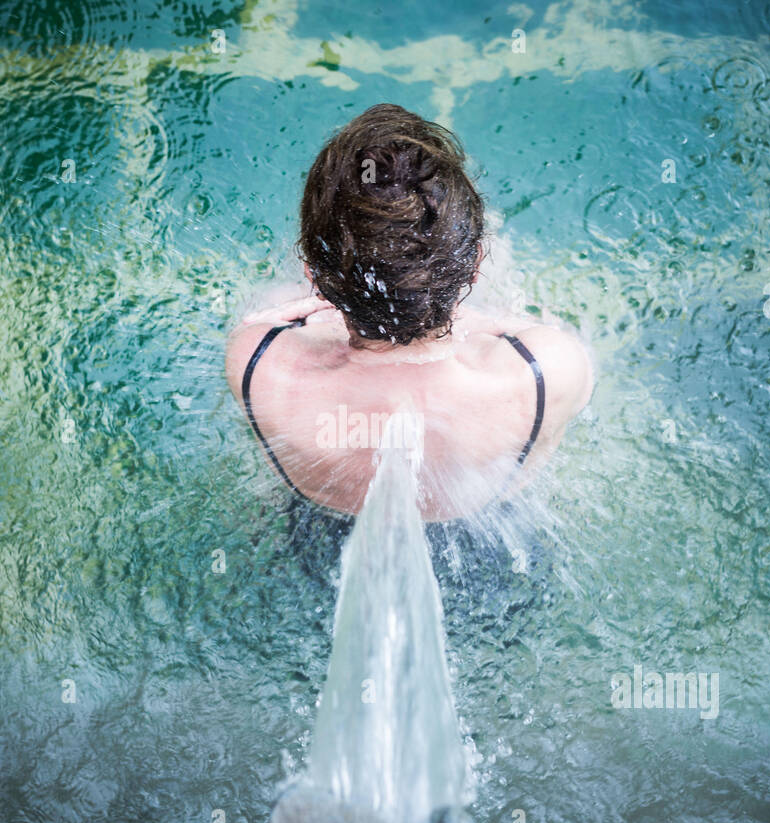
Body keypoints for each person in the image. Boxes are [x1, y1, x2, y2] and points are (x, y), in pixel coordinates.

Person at [226, 103, 594, 522]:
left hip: (320, 537)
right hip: (489, 550)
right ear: (474, 263)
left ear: (315, 276)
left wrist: (326, 307)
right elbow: (570, 359)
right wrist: (486, 321)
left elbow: (279, 322)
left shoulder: (255, 361)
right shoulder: (546, 370)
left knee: (276, 292)